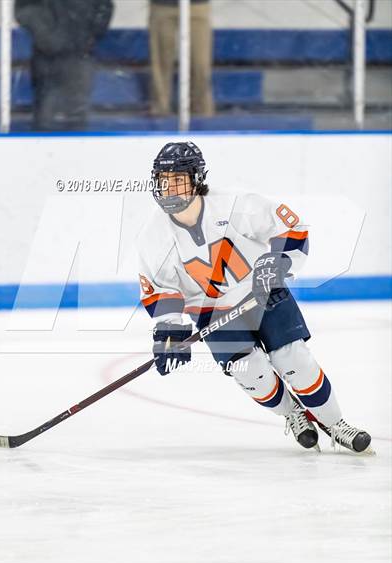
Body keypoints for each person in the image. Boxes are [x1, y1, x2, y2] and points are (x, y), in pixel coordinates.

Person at [137, 141, 372, 454]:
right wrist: (169, 328)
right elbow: (161, 288)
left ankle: (336, 424)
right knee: (251, 371)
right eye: (163, 180)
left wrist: (275, 266)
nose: (170, 188)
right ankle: (293, 413)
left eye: (178, 179)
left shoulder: (236, 203)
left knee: (293, 359)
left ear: (197, 179)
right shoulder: (153, 234)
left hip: (263, 292)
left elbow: (291, 229)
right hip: (212, 312)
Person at [15, 0, 113, 131]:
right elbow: (24, 9)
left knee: (77, 118)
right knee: (46, 117)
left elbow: (105, 6)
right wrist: (46, 37)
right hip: (47, 58)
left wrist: (88, 36)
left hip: (79, 56)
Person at [149, 0, 214, 116]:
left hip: (197, 5)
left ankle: (201, 109)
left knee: (200, 63)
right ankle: (160, 108)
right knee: (161, 61)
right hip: (162, 5)